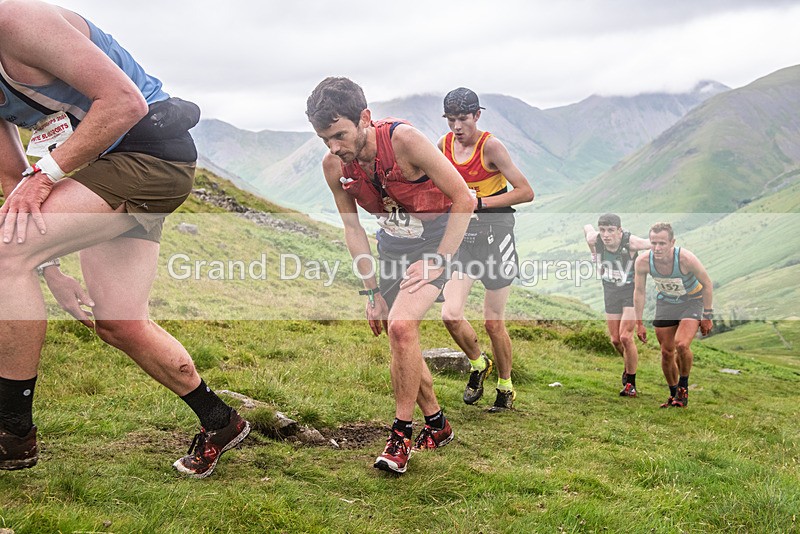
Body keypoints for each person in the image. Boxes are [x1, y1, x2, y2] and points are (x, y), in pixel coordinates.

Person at [0, 1, 248, 478]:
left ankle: (13, 433)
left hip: (151, 152)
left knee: (4, 254)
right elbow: (14, 182)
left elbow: (125, 102)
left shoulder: (16, 21)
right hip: (106, 168)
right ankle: (220, 420)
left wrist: (46, 177)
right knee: (119, 321)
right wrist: (47, 267)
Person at [306, 77, 473, 474]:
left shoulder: (405, 141)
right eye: (324, 139)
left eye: (340, 135)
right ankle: (437, 424)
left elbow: (465, 196)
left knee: (401, 327)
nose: (334, 147)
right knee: (402, 336)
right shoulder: (334, 166)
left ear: (365, 117)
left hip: (439, 240)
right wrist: (370, 292)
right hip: (395, 248)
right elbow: (353, 229)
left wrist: (438, 259)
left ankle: (400, 436)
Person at [437, 88, 534, 412]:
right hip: (463, 238)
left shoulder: (490, 146)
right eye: (451, 120)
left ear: (477, 115)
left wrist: (479, 202)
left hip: (496, 237)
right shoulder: (443, 146)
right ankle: (479, 364)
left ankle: (505, 387)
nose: (457, 126)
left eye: (463, 119)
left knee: (494, 323)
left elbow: (525, 192)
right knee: (450, 315)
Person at [633, 222, 713, 408]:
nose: (657, 248)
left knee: (682, 344)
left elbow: (707, 284)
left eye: (662, 243)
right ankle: (673, 394)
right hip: (666, 303)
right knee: (666, 352)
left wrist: (707, 315)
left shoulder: (685, 259)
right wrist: (639, 323)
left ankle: (683, 388)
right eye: (653, 243)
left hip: (691, 301)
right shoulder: (643, 262)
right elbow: (639, 291)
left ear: (672, 242)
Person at [584, 214, 650, 397]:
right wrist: (593, 253)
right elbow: (587, 227)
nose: (606, 235)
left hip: (630, 291)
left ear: (619, 230)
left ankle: (631, 384)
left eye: (611, 230)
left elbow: (653, 244)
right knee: (615, 340)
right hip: (610, 290)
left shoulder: (631, 242)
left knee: (626, 337)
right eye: (603, 230)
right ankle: (628, 366)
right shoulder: (595, 238)